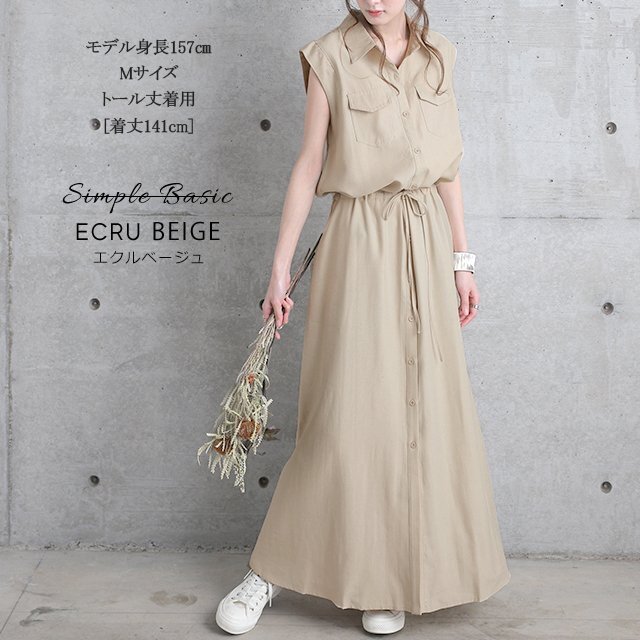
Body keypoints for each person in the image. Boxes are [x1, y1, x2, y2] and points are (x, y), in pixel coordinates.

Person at [215, 1, 511, 635]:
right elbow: (308, 163)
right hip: (358, 237)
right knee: (342, 411)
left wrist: (462, 261)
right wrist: (279, 267)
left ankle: (388, 579)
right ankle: (267, 572)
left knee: (418, 413)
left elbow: (449, 169)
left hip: (425, 239)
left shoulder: (440, 56)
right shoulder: (329, 57)